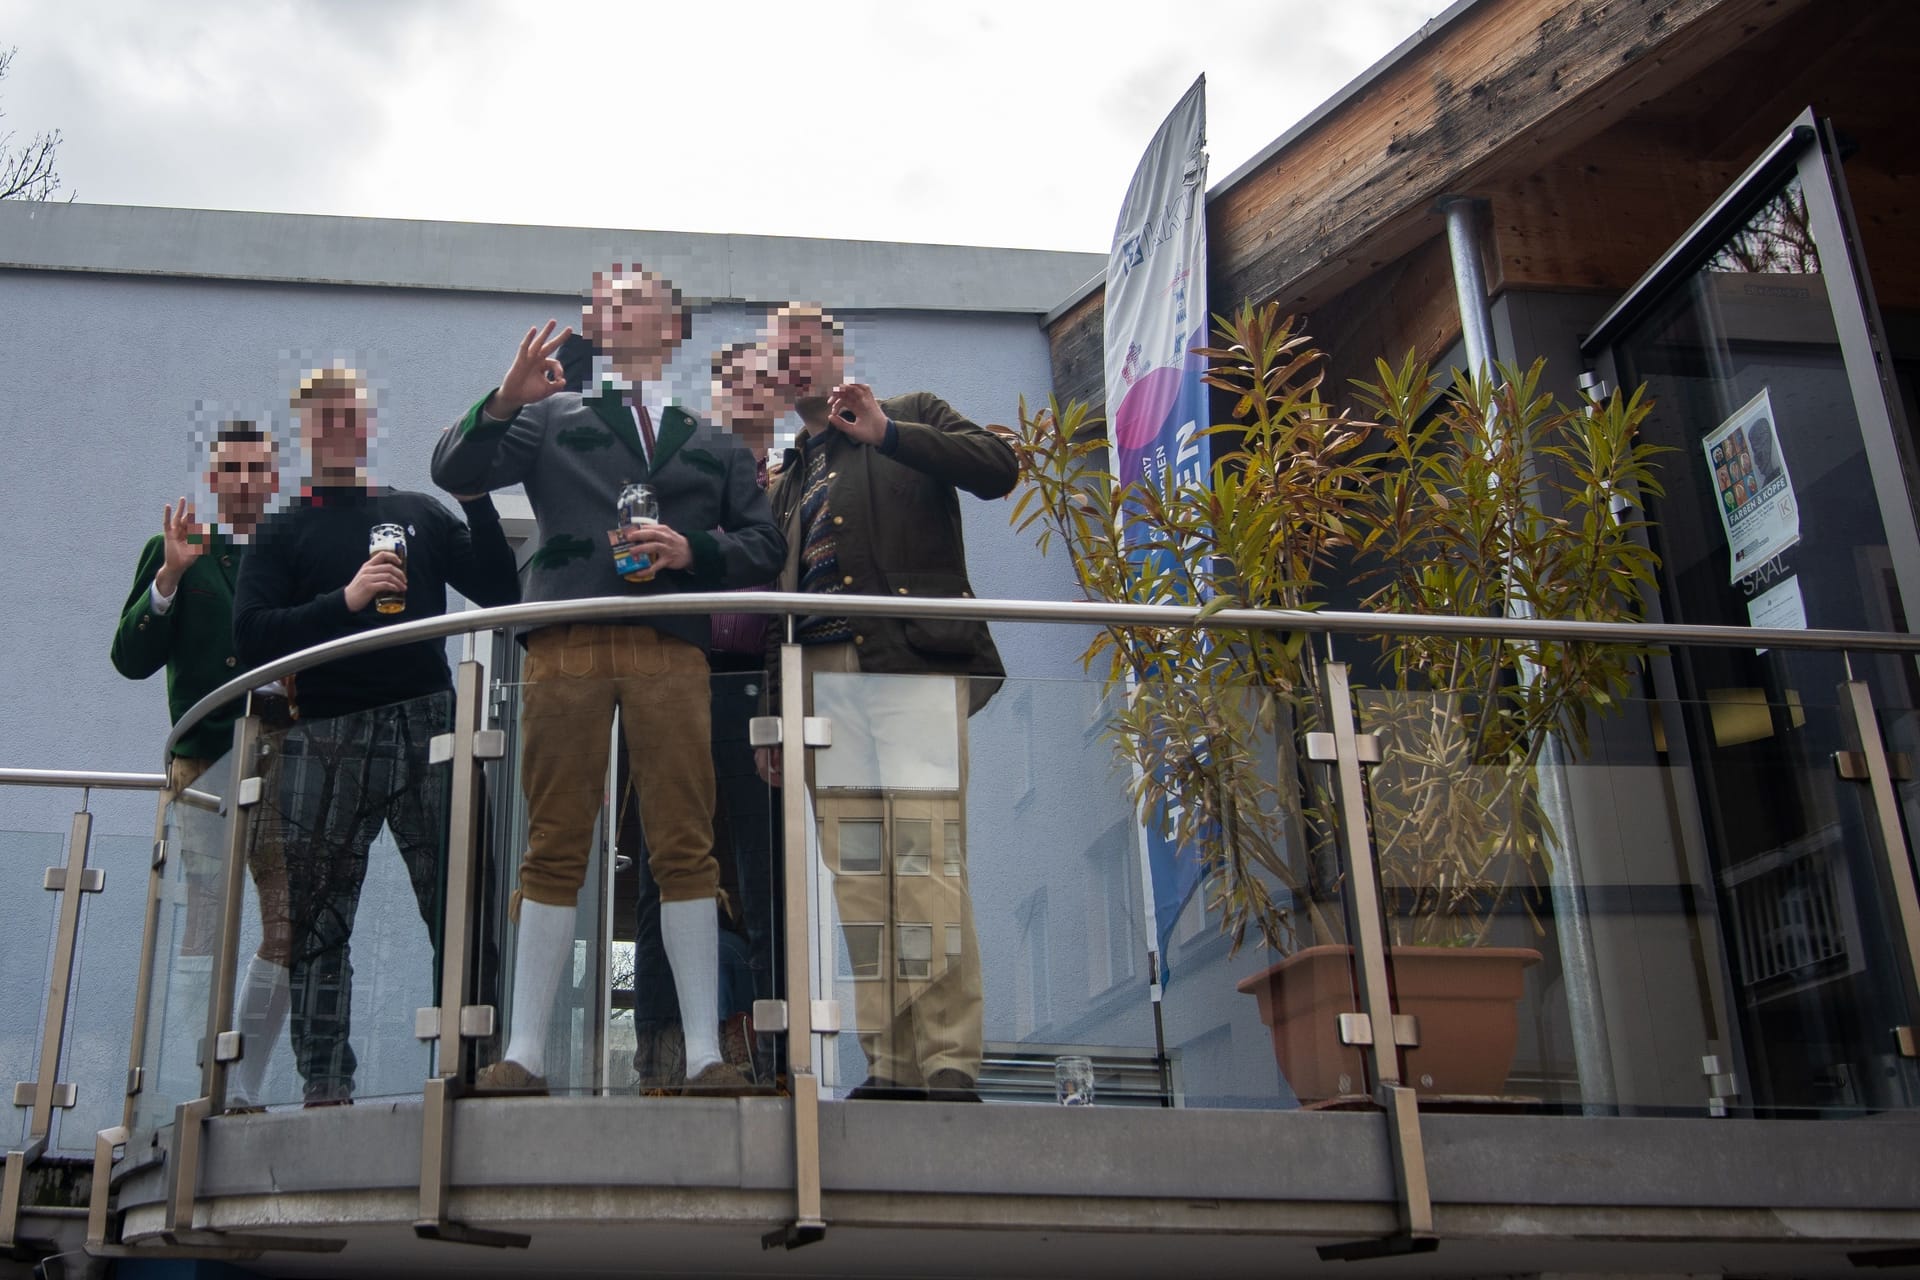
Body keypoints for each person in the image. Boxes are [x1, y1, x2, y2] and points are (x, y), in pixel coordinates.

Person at [431, 264, 785, 1097]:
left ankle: (705, 1053)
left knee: (683, 840)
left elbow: (767, 549)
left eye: (635, 302)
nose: (613, 312)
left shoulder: (713, 439)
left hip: (671, 645)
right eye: (604, 303)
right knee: (554, 835)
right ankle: (523, 1051)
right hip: (565, 643)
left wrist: (694, 552)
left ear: (673, 329)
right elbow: (455, 468)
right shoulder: (547, 417)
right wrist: (502, 399)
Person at [233, 364, 521, 1106]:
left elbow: (501, 588)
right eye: (325, 415)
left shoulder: (416, 511)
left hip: (429, 720)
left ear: (368, 426)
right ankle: (325, 1081)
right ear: (307, 429)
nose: (340, 427)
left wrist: (477, 500)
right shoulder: (281, 530)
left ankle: (470, 1067)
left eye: (351, 414)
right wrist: (348, 599)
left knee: (460, 904)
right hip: (322, 730)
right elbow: (253, 641)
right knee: (318, 920)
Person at [758, 304, 1015, 1102]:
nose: (795, 364)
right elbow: (774, 604)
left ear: (838, 354)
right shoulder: (788, 475)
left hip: (909, 663)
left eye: (807, 348)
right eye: (782, 357)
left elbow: (999, 469)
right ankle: (892, 1064)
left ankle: (947, 1060)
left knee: (925, 859)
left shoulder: (910, 414)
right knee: (861, 879)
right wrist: (772, 712)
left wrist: (889, 436)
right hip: (820, 681)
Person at [111, 420, 292, 1110]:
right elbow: (129, 659)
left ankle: (243, 1077)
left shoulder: (285, 552)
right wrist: (166, 580)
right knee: (207, 918)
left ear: (272, 481)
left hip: (278, 756)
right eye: (232, 469)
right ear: (215, 481)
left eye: (257, 469)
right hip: (205, 762)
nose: (245, 481)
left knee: (285, 920)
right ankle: (199, 1077)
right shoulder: (179, 550)